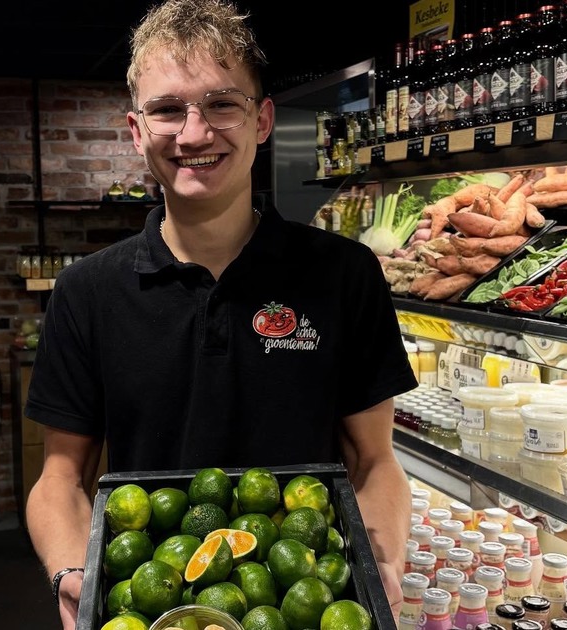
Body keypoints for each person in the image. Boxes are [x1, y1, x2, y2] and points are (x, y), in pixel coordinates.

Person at [23, 0, 418, 626]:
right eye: (167, 110)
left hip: (301, 606)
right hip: (152, 605)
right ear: (136, 130)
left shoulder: (345, 275)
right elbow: (61, 479)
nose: (195, 133)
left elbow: (375, 462)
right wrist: (75, 574)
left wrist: (381, 561)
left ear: (262, 120)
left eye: (221, 104)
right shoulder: (85, 291)